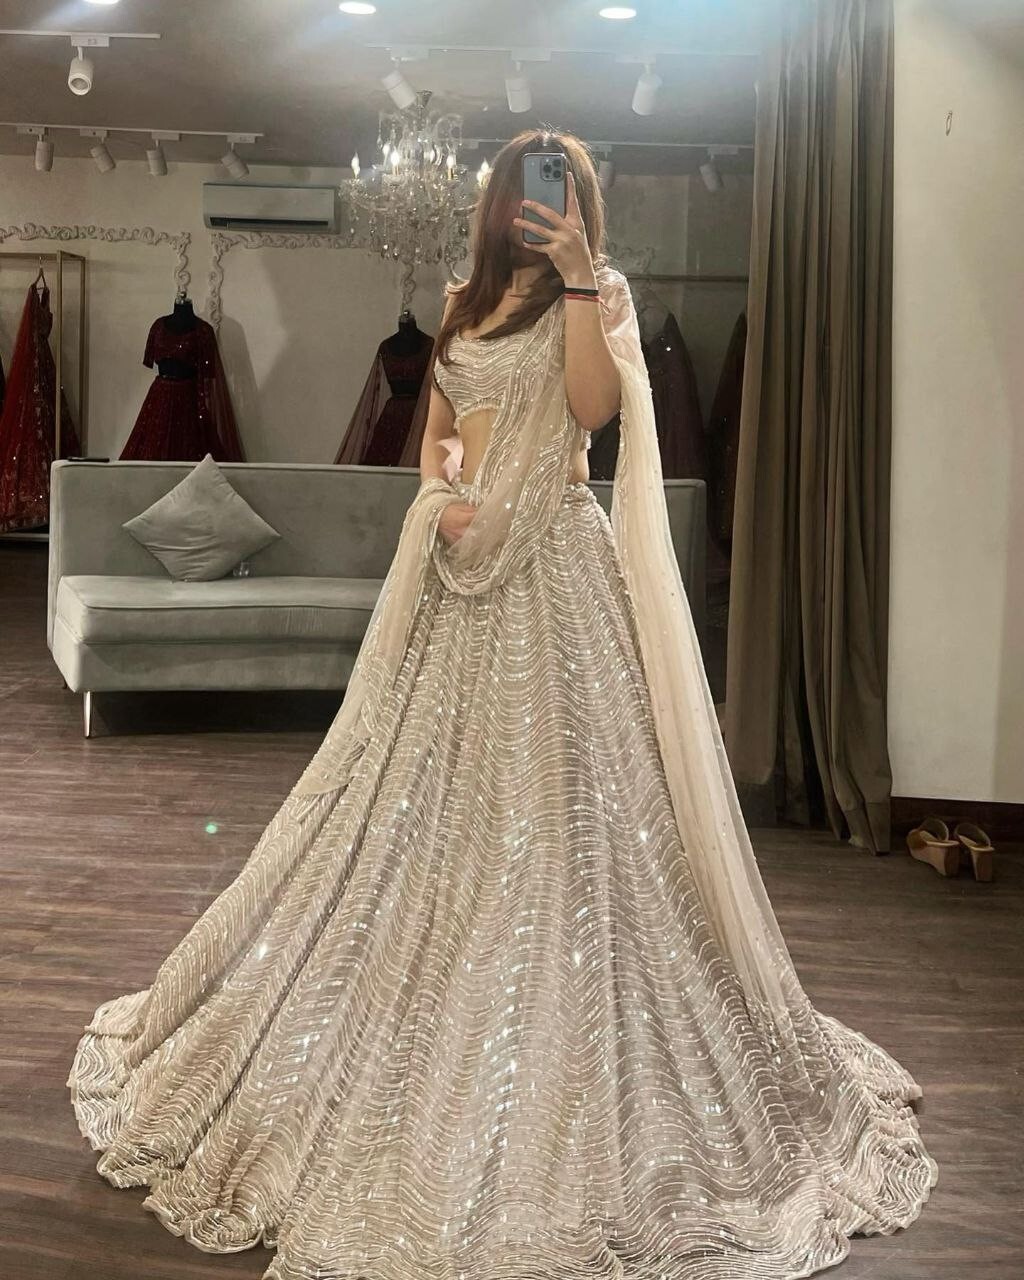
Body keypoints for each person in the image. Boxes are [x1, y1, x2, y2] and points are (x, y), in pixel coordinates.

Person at [67, 129, 937, 1280]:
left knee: (574, 818)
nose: (541, 206)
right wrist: (445, 495)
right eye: (528, 192)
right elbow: (436, 435)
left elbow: (588, 410)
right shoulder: (461, 301)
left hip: (557, 576)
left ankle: (565, 1023)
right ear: (495, 204)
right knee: (428, 809)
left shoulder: (600, 292)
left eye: (560, 191)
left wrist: (577, 278)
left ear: (581, 205)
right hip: (460, 570)